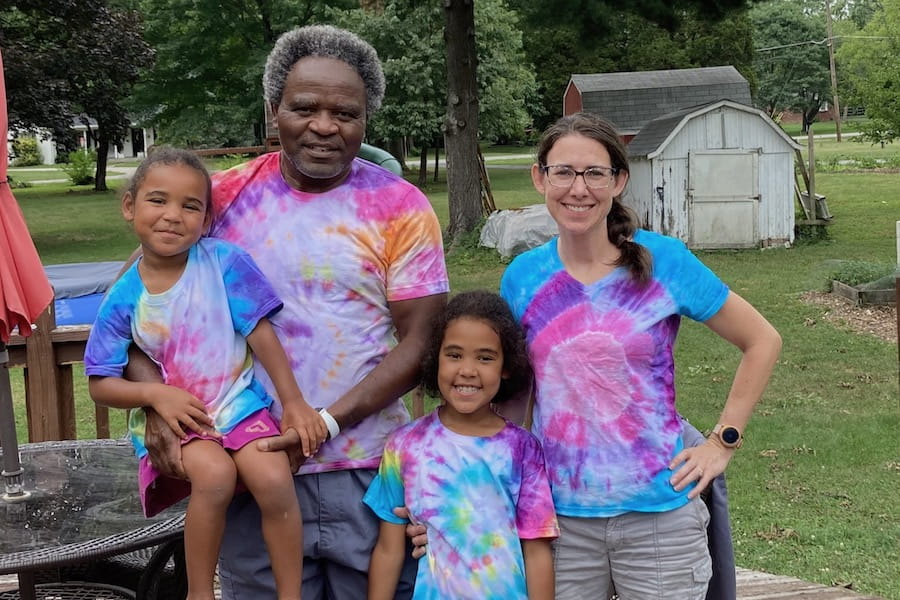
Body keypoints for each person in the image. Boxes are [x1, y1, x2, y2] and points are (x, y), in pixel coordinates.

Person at [132, 25, 448, 600]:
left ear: (365, 120)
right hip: (251, 466)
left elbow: (421, 342)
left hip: (371, 472)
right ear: (273, 109)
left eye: (345, 113)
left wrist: (328, 421)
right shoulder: (217, 201)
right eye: (305, 107)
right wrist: (155, 403)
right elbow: (138, 307)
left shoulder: (401, 208)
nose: (325, 125)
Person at [498, 112, 782, 599]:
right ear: (540, 177)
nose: (578, 189)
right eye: (563, 171)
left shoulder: (663, 261)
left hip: (660, 517)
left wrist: (722, 442)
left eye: (594, 173)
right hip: (559, 519)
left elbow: (762, 340)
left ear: (618, 181)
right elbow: (513, 396)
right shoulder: (523, 277)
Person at [84, 148, 325, 600]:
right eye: (158, 200)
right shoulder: (122, 299)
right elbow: (100, 382)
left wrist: (293, 403)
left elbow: (260, 333)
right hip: (182, 417)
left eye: (190, 205)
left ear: (205, 215)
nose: (173, 215)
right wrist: (156, 397)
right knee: (214, 478)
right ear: (129, 206)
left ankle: (291, 594)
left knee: (274, 479)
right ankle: (199, 593)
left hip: (238, 404)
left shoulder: (224, 263)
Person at [364, 290, 559, 600]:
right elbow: (388, 551)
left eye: (485, 357)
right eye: (454, 355)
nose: (467, 370)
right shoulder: (404, 445)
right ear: (434, 359)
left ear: (506, 366)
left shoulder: (522, 450)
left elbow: (536, 551)